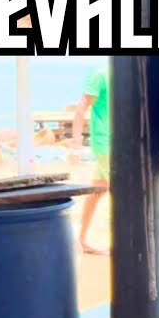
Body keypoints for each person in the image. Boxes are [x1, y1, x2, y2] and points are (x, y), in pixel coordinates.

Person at [72, 65, 110, 255]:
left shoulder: (129, 77)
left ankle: (81, 239)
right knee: (122, 193)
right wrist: (76, 143)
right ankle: (122, 242)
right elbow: (81, 108)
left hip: (117, 142)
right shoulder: (100, 75)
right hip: (106, 143)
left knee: (98, 190)